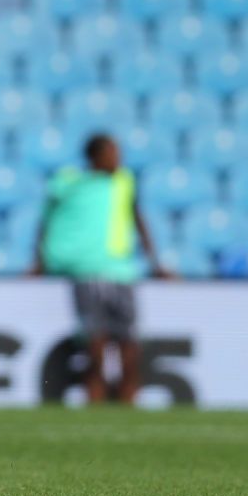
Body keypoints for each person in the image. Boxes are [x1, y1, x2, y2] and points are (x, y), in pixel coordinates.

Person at [32, 134, 174, 404]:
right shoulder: (70, 184)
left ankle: (128, 402)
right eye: (112, 153)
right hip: (87, 272)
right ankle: (95, 401)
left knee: (129, 343)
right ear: (95, 157)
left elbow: (137, 218)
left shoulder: (124, 182)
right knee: (94, 343)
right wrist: (39, 260)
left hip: (123, 272)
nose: (117, 159)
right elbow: (46, 220)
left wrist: (155, 263)